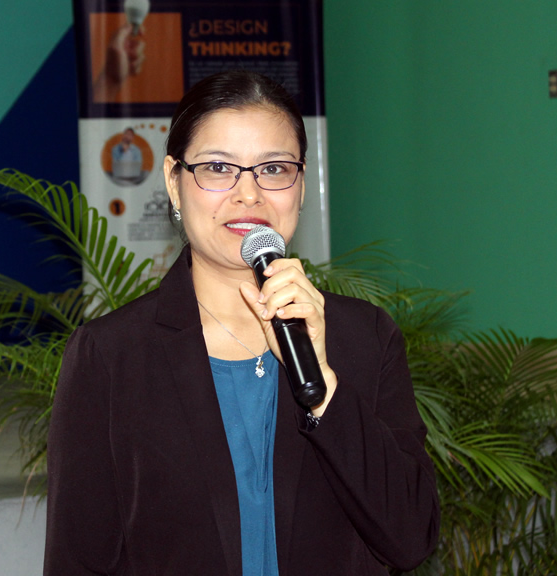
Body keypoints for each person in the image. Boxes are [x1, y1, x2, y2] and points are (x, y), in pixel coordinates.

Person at [45, 70, 439, 575]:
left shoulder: (366, 337)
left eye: (274, 169)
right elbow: (78, 560)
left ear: (300, 185)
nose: (249, 195)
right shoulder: (111, 356)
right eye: (217, 168)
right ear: (174, 181)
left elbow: (410, 540)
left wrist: (323, 392)